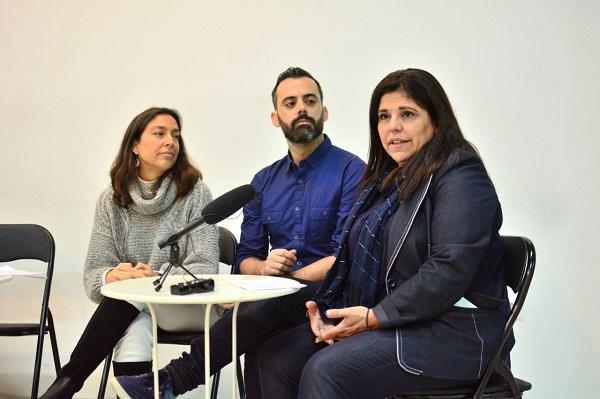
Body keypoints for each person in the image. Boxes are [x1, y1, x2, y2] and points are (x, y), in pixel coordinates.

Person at [253, 68, 514, 398]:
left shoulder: (460, 172)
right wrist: (336, 315)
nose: (393, 127)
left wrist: (373, 317)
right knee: (278, 358)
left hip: (456, 333)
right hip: (404, 321)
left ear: (435, 119)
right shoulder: (388, 184)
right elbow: (364, 265)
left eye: (407, 114)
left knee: (326, 370)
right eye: (383, 116)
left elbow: (449, 268)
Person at [110, 67, 365, 398]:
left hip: (334, 295)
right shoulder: (263, 182)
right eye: (290, 103)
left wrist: (287, 279)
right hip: (276, 301)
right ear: (277, 117)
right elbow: (245, 257)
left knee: (269, 300)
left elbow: (344, 257)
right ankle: (168, 383)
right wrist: (264, 269)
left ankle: (173, 380)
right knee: (263, 313)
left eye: (309, 100)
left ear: (324, 112)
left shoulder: (352, 170)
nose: (301, 108)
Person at [40, 107, 219, 399]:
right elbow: (93, 276)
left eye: (175, 136)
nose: (170, 142)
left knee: (133, 293)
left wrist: (154, 279)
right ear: (135, 145)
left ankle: (66, 383)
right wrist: (112, 275)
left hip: (190, 305)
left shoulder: (196, 193)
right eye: (159, 134)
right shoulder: (111, 200)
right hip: (136, 308)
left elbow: (206, 266)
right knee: (132, 330)